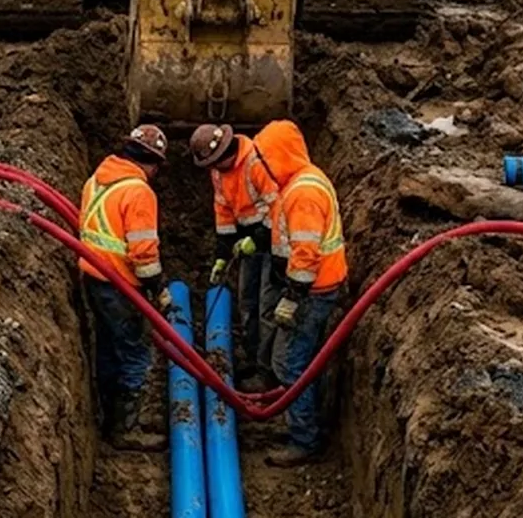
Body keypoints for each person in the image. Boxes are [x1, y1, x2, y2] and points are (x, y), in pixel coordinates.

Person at [256, 119, 348, 467]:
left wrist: (292, 297)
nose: (262, 167)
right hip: (314, 287)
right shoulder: (300, 181)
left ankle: (305, 439)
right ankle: (301, 421)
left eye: (265, 159)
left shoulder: (303, 193)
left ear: (281, 155)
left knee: (292, 363)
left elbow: (306, 253)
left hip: (312, 291)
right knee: (297, 360)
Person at [79, 124, 173, 450]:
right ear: (152, 161)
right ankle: (124, 429)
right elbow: (143, 253)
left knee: (108, 347)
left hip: (94, 277)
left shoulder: (97, 179)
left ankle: (108, 415)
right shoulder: (138, 191)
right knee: (135, 353)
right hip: (119, 284)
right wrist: (158, 289)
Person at [189, 123, 283, 389]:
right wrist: (221, 253)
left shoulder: (255, 161)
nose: (214, 169)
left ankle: (267, 372)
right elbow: (223, 211)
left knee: (266, 306)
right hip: (247, 240)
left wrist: (259, 239)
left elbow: (278, 206)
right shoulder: (218, 172)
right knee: (246, 301)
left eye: (216, 163)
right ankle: (252, 358)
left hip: (273, 238)